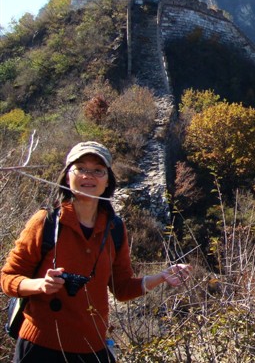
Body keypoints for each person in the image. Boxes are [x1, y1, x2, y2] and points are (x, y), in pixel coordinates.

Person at [1, 141, 191, 362]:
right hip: (40, 347)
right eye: (80, 168)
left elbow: (121, 288)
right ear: (67, 176)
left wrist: (161, 277)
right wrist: (40, 285)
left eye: (98, 170)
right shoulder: (46, 222)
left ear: (107, 180)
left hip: (93, 348)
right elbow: (7, 278)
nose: (88, 176)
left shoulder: (114, 228)